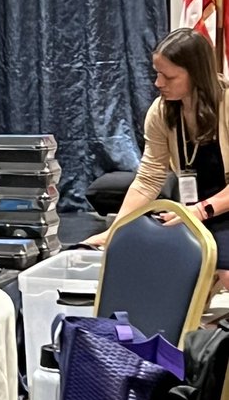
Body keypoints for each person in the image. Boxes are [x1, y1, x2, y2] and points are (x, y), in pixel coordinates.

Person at [86, 27, 229, 293]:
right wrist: (116, 231)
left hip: (216, 208)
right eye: (157, 73)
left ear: (196, 75)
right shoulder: (161, 112)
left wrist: (199, 212)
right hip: (192, 209)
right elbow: (148, 179)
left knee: (224, 269)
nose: (158, 83)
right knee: (154, 260)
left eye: (168, 76)